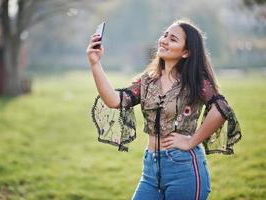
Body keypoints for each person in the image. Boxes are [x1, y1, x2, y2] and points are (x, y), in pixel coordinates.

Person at [86, 19, 241, 200]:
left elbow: (221, 109)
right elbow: (115, 100)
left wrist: (191, 141)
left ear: (186, 52)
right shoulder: (148, 80)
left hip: (184, 169)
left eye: (173, 39)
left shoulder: (194, 80)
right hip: (151, 169)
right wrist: (95, 64)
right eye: (165, 35)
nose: (164, 40)